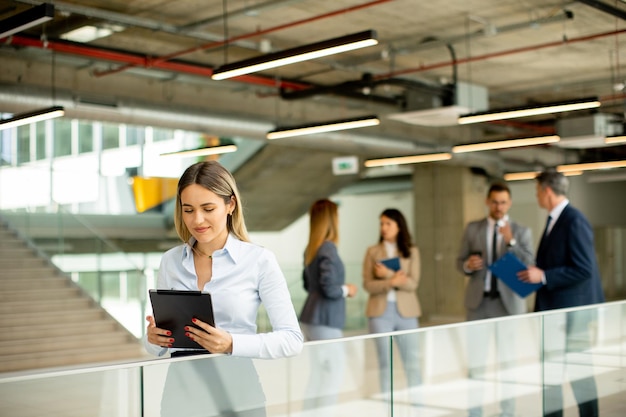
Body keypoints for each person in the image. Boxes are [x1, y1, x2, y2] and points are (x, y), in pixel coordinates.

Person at [143, 160, 303, 417]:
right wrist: (153, 338)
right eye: (188, 210)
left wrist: (231, 344)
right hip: (180, 392)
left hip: (237, 392)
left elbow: (291, 340)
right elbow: (155, 345)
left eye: (208, 208)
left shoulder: (259, 260)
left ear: (230, 205)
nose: (197, 220)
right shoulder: (170, 261)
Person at [518, 169, 605, 417]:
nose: (536, 197)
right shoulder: (555, 220)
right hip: (556, 315)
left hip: (570, 317)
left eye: (537, 191)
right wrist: (538, 272)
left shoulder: (573, 220)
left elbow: (584, 269)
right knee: (551, 377)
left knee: (580, 377)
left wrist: (544, 276)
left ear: (547, 191)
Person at [456, 181, 534, 417]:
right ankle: (475, 411)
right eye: (494, 202)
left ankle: (507, 411)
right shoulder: (473, 229)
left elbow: (529, 264)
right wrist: (467, 266)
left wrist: (511, 242)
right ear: (487, 202)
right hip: (478, 304)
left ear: (509, 203)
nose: (498, 207)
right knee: (476, 363)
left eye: (503, 202)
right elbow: (459, 262)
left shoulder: (521, 231)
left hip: (507, 304)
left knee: (507, 362)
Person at [299, 198, 358, 409]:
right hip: (325, 320)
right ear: (332, 220)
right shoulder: (328, 249)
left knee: (317, 374)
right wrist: (347, 290)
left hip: (309, 318)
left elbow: (308, 285)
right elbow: (330, 289)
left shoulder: (311, 249)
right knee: (334, 374)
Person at [362, 208, 422, 397]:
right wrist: (391, 282)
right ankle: (388, 408)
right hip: (380, 313)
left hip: (407, 313)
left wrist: (387, 274)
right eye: (381, 223)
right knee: (384, 364)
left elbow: (413, 283)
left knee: (412, 362)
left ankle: (418, 407)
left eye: (388, 223)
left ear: (399, 226)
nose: (384, 227)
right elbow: (368, 284)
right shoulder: (372, 252)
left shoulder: (411, 251)